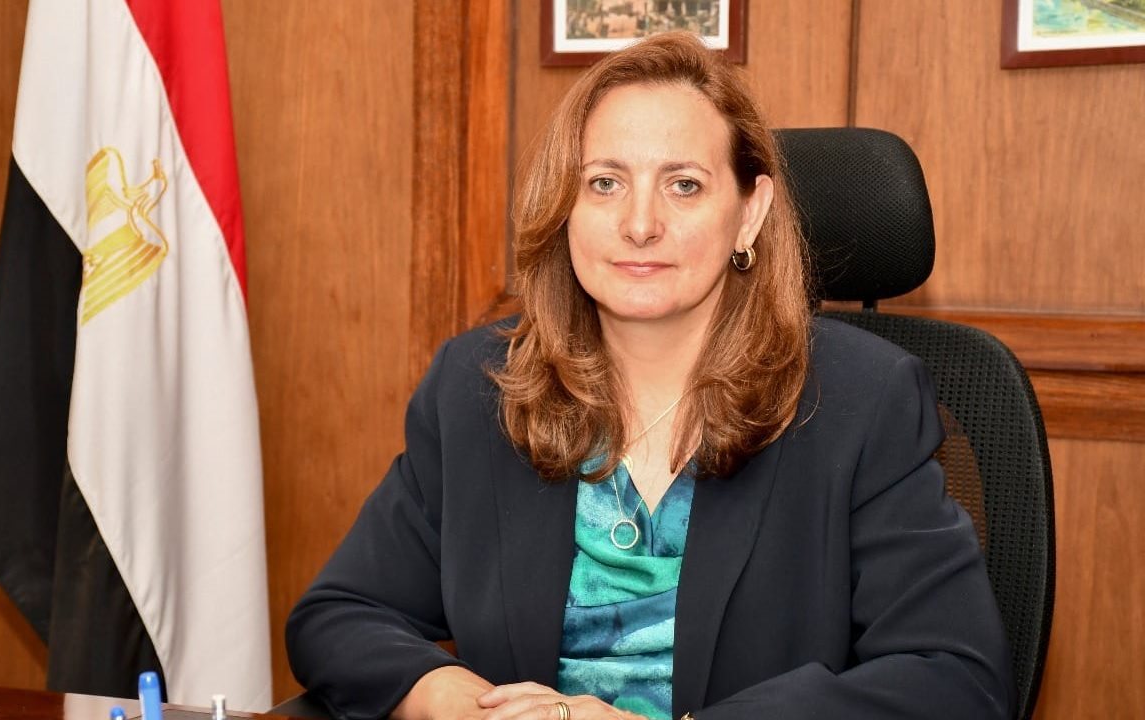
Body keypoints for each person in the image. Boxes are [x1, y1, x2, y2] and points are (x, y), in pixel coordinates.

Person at [286, 32, 1013, 720]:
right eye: (604, 183)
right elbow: (339, 616)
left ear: (750, 213)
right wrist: (456, 700)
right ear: (565, 206)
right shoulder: (480, 386)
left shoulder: (861, 401)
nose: (639, 224)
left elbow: (954, 676)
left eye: (684, 186)